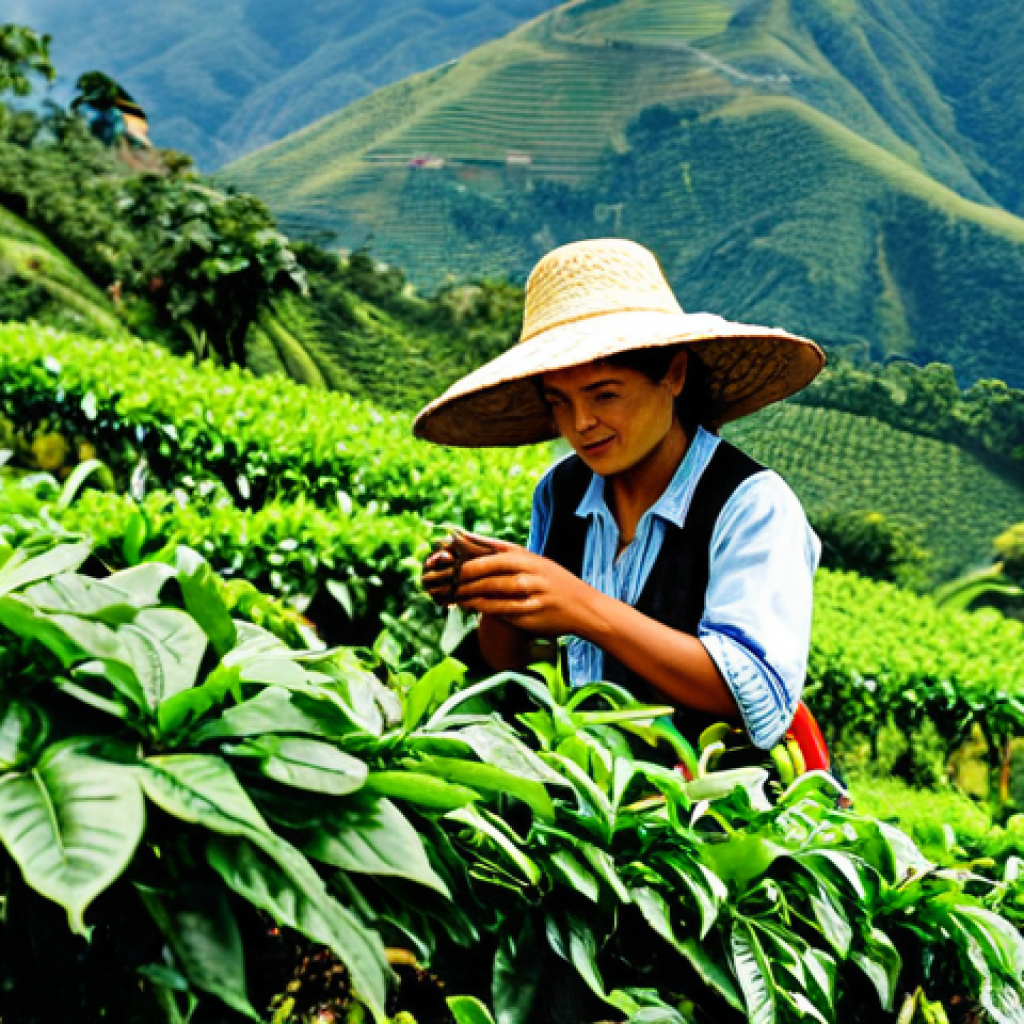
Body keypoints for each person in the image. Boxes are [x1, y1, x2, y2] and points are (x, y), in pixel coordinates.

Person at [415, 238, 825, 751]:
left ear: (673, 375)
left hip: (713, 810)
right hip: (589, 786)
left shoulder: (751, 504)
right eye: (559, 402)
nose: (581, 424)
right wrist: (497, 593)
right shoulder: (562, 492)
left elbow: (755, 698)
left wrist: (582, 607)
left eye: (605, 395)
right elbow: (528, 665)